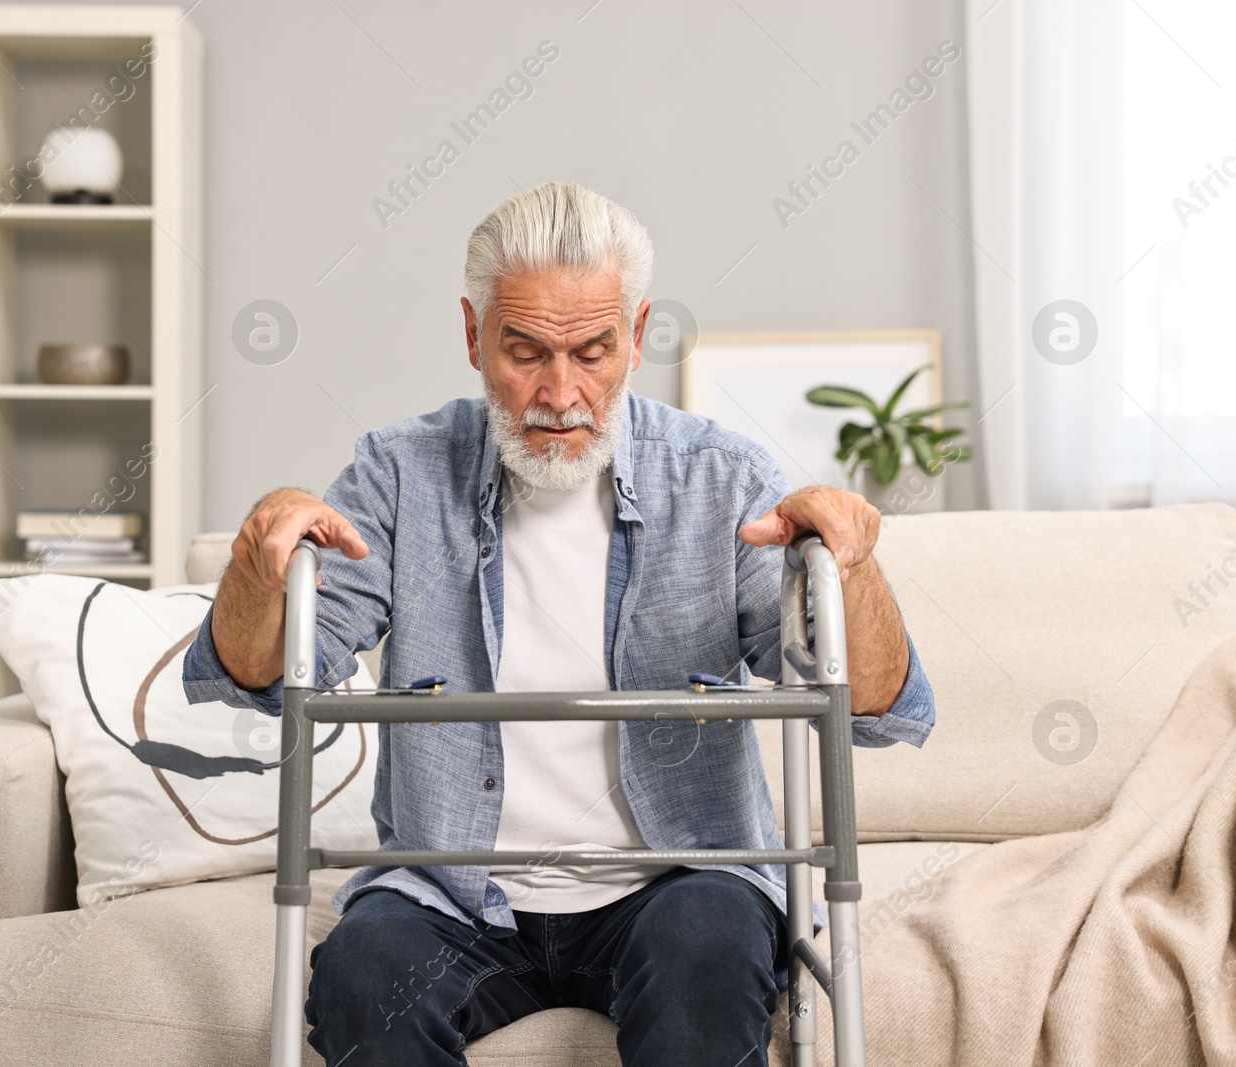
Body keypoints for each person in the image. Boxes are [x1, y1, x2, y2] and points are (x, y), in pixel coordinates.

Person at [183, 181, 936, 1066]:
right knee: (363, 973)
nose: (560, 391)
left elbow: (877, 705)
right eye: (526, 350)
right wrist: (251, 561)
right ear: (473, 336)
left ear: (638, 334)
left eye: (591, 350)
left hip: (674, 881)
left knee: (710, 946)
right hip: (452, 895)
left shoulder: (719, 476)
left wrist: (855, 563)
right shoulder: (399, 473)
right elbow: (258, 673)